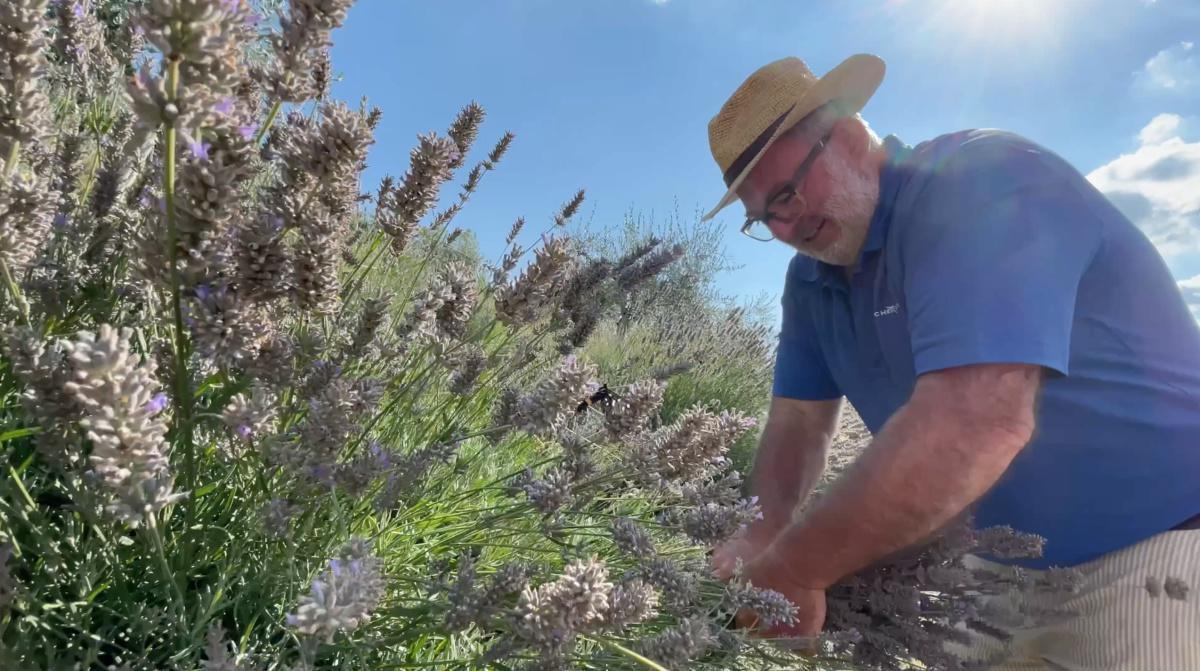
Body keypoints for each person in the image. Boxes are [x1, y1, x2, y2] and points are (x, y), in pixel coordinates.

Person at [702, 54, 1200, 669]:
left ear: (849, 132)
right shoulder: (812, 280)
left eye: (787, 192)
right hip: (989, 569)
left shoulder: (981, 182)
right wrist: (763, 526)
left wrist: (797, 569)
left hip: (1154, 551)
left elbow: (978, 418)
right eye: (762, 216)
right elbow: (798, 421)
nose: (784, 224)